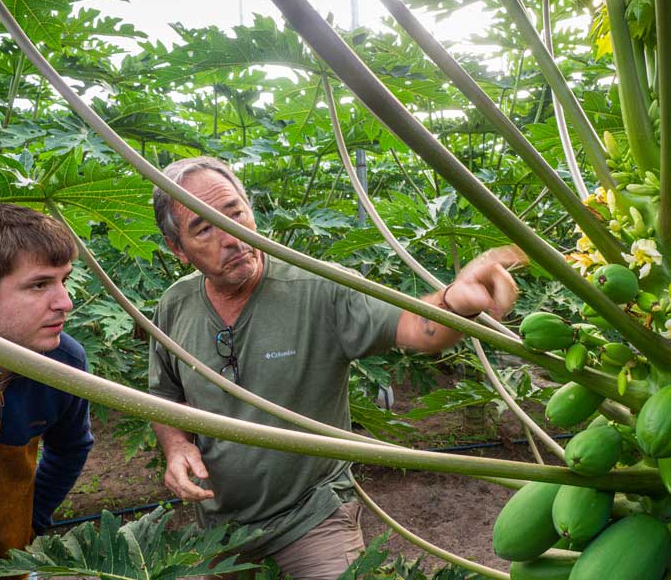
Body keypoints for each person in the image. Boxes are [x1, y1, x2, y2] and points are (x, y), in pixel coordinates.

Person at [149, 156, 525, 579]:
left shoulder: (317, 286)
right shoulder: (174, 306)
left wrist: (456, 300)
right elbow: (165, 396)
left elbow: (417, 327)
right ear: (177, 250)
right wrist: (176, 446)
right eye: (204, 228)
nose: (231, 237)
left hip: (314, 514)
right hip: (219, 528)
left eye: (235, 213)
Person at [0, 203, 93, 566]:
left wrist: (29, 523)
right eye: (39, 285)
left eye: (63, 280)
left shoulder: (65, 364)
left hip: (8, 566)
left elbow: (71, 447)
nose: (65, 302)